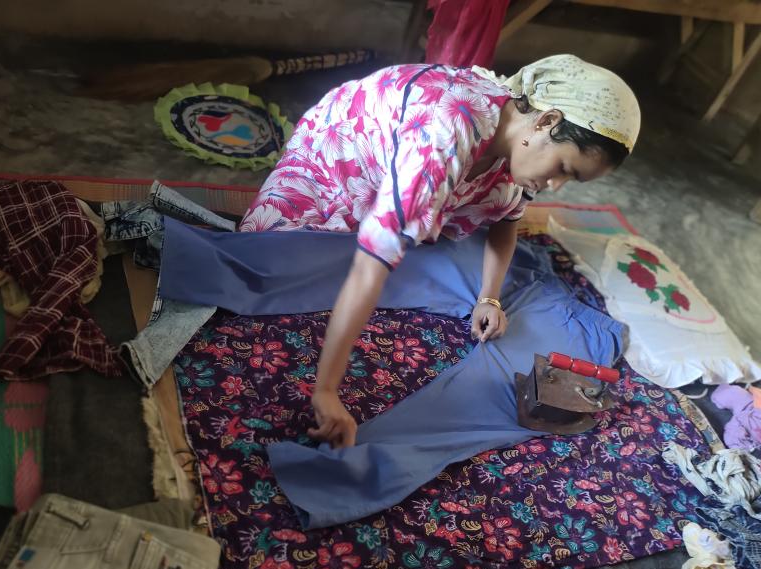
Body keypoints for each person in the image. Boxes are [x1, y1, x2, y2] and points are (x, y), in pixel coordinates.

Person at [239, 54, 641, 448]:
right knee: (261, 269)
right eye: (563, 169)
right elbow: (367, 270)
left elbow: (506, 224)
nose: (555, 187)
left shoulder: (517, 149)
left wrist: (490, 297)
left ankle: (407, 218)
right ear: (546, 121)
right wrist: (325, 391)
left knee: (438, 239)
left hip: (413, 179)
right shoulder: (447, 131)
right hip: (336, 167)